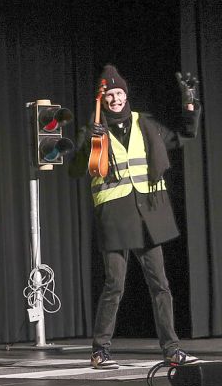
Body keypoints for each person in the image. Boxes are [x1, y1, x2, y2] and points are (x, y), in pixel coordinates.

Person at [69, 64, 201, 369]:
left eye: (120, 93)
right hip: (115, 216)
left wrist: (190, 103)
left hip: (148, 215)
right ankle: (100, 350)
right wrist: (90, 141)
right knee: (115, 284)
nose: (116, 99)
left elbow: (185, 134)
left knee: (161, 284)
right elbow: (75, 170)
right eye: (110, 95)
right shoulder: (93, 129)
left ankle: (171, 348)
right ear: (102, 100)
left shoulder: (147, 124)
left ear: (126, 94)